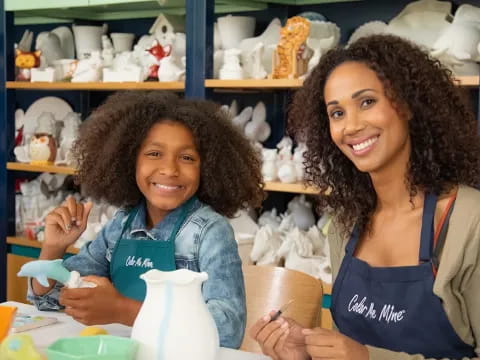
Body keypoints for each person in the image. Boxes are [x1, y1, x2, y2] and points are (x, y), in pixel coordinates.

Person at [250, 34, 480, 359]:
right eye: (337, 113)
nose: (351, 126)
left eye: (367, 102)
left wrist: (368, 357)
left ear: (409, 105)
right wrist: (304, 350)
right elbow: (349, 344)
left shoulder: (469, 222)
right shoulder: (346, 223)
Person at [28, 91, 265, 349]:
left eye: (187, 158)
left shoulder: (210, 233)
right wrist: (53, 249)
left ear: (207, 168)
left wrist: (124, 311)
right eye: (154, 153)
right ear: (129, 160)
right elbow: (50, 301)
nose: (169, 169)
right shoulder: (120, 227)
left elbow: (228, 330)